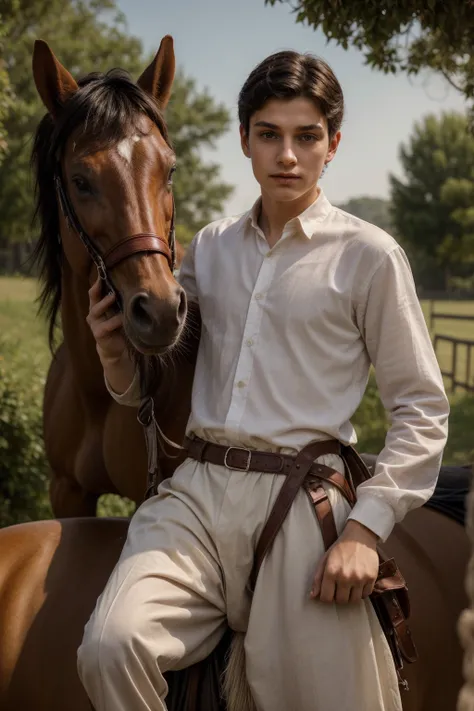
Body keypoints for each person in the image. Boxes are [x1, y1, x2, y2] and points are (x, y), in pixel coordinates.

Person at [77, 50, 449, 711]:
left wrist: (366, 528)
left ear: (333, 145)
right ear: (244, 138)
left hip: (304, 503)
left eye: (307, 136)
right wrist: (114, 354)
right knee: (109, 645)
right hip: (196, 495)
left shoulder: (370, 255)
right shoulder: (210, 248)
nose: (288, 155)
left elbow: (421, 408)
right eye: (270, 134)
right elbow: (155, 387)